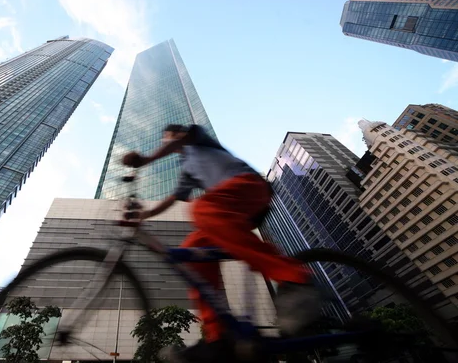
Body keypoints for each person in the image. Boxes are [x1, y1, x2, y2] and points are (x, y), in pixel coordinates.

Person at [122, 124, 321, 362]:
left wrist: (145, 159)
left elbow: (178, 142)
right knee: (192, 249)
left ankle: (295, 279)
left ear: (177, 134)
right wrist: (143, 216)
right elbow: (174, 198)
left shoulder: (198, 139)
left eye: (168, 137)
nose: (167, 141)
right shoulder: (187, 168)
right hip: (230, 207)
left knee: (203, 208)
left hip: (248, 186)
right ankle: (218, 336)